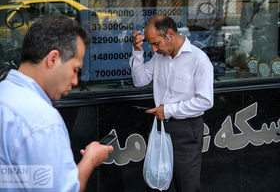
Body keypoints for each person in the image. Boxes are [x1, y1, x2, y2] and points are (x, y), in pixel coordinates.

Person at [0, 15, 113, 192]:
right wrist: (90, 160)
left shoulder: (5, 94)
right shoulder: (43, 121)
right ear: (53, 59)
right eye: (75, 69)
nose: (76, 81)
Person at [129, 15, 213, 192]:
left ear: (170, 34)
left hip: (186, 132)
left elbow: (205, 101)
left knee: (187, 186)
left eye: (156, 43)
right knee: (158, 184)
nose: (153, 49)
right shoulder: (160, 57)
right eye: (150, 44)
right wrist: (137, 52)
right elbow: (140, 80)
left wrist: (168, 110)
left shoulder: (199, 59)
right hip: (160, 129)